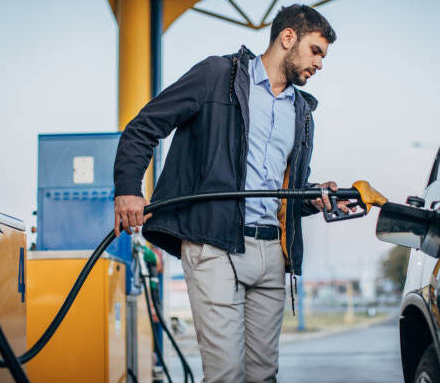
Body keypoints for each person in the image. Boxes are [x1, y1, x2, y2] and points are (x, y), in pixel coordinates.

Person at [114, 4, 350, 382]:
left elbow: (282, 188)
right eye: (316, 51)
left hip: (271, 252)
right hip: (213, 243)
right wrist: (127, 189)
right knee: (225, 374)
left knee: (263, 376)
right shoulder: (216, 76)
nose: (319, 64)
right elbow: (143, 127)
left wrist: (315, 195)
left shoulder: (302, 112)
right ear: (288, 37)